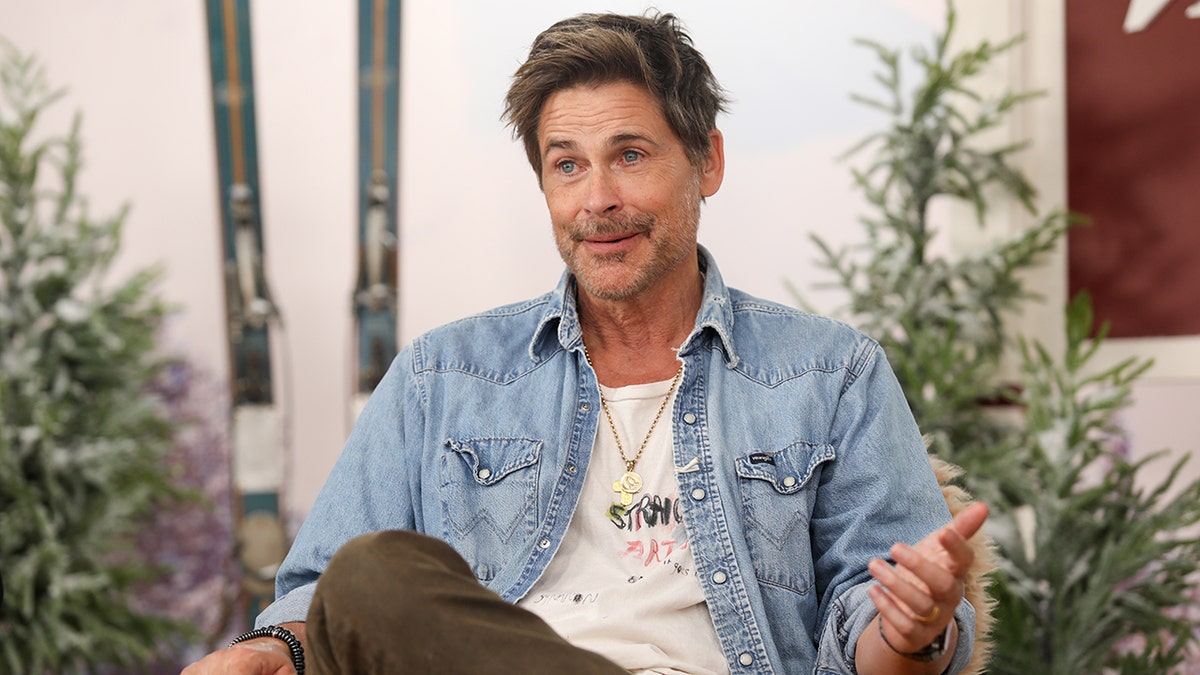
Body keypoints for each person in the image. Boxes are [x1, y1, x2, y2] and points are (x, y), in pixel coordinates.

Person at [184, 11, 988, 675]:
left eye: (629, 156)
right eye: (567, 166)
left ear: (705, 161)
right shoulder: (443, 375)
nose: (597, 200)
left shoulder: (831, 373)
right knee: (368, 576)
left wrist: (913, 627)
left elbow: (882, 642)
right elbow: (323, 600)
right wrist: (269, 649)